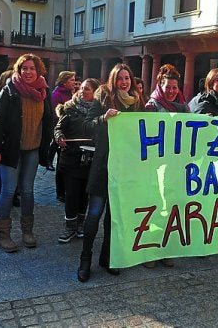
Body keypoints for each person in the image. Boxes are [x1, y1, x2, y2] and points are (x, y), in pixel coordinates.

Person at [77, 63, 145, 282]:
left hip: (124, 167)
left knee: (114, 217)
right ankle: (85, 260)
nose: (124, 82)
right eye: (120, 78)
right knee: (94, 214)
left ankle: (107, 258)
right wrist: (103, 119)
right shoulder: (103, 98)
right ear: (113, 80)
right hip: (104, 165)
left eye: (127, 78)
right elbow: (86, 126)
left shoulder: (137, 103)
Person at [0, 54, 52, 252]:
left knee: (27, 191)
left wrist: (48, 145)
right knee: (8, 191)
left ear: (38, 70)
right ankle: (4, 234)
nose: (28, 72)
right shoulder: (9, 90)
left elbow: (49, 119)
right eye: (24, 68)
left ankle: (27, 231)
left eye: (32, 68)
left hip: (33, 149)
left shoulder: (44, 91)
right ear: (18, 69)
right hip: (11, 150)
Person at [144, 64, 189, 268]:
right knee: (156, 205)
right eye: (167, 87)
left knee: (171, 206)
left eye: (174, 87)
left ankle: (165, 248)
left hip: (175, 165)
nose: (171, 91)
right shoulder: (151, 107)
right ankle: (150, 251)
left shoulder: (184, 107)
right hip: (155, 166)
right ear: (160, 87)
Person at [54, 77, 101, 243]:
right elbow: (58, 128)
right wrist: (59, 137)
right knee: (71, 194)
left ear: (95, 92)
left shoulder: (99, 111)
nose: (82, 91)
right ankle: (69, 227)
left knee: (84, 195)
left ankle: (80, 224)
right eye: (81, 88)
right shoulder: (70, 108)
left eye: (86, 89)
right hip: (71, 158)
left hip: (91, 159)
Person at [0, 68, 20, 208]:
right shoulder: (6, 93)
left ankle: (7, 195)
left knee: (7, 170)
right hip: (6, 139)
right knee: (5, 170)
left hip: (8, 139)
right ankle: (2, 195)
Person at [49, 71, 77, 201]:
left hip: (71, 133)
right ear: (64, 81)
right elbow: (56, 115)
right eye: (72, 80)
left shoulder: (71, 93)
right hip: (62, 133)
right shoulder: (57, 94)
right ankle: (60, 192)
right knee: (61, 164)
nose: (74, 82)